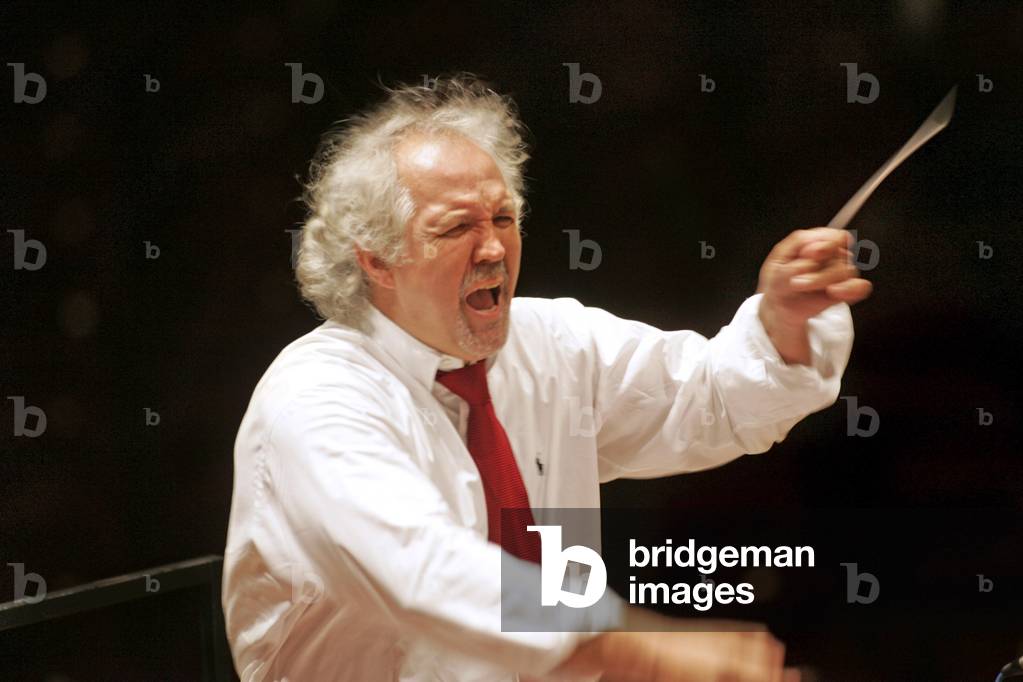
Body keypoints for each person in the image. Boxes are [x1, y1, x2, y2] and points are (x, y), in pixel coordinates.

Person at [221, 74, 871, 682]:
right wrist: (642, 649)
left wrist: (783, 317)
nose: (495, 249)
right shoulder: (316, 397)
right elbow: (421, 571)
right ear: (377, 261)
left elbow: (711, 398)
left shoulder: (550, 342)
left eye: (503, 219)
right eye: (456, 228)